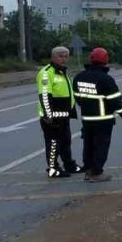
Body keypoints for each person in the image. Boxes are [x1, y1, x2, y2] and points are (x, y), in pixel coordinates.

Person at [71, 47, 122, 182]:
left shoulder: (79, 77)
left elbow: (77, 97)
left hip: (87, 119)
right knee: (101, 146)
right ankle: (97, 173)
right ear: (106, 60)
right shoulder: (106, 79)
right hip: (103, 120)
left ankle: (88, 171)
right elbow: (116, 101)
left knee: (88, 145)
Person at [37, 46, 82, 178]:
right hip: (51, 117)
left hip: (63, 115)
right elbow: (45, 95)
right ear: (53, 57)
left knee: (65, 141)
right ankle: (53, 168)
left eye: (66, 56)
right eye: (60, 56)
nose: (64, 59)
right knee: (53, 143)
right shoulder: (46, 73)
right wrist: (48, 115)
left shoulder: (62, 72)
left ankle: (69, 165)